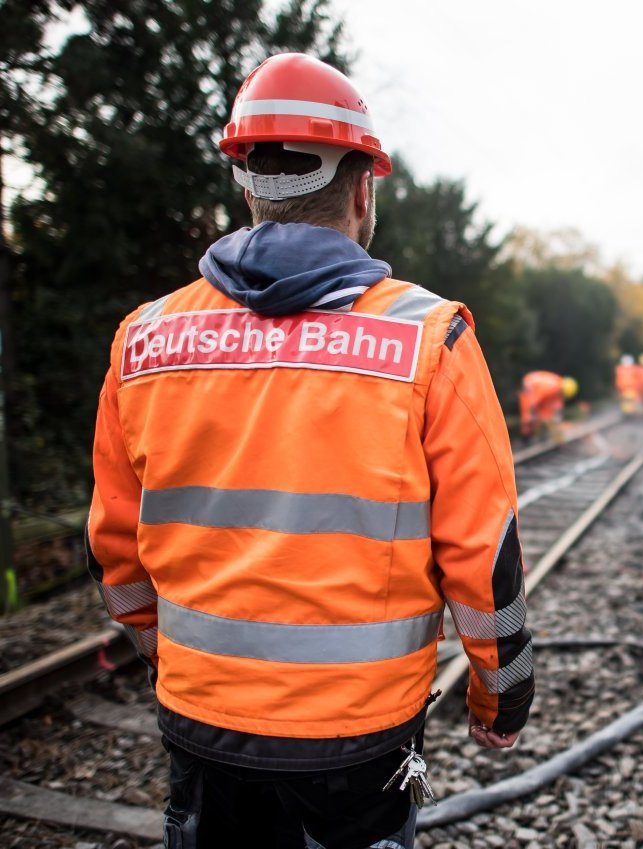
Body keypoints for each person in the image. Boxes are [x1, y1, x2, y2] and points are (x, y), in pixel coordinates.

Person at [86, 53, 533, 849]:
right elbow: (484, 557)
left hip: (199, 721)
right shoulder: (429, 338)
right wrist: (501, 698)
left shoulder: (145, 337)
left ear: (247, 186)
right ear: (365, 188)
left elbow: (114, 554)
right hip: (361, 735)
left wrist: (174, 659)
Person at [519, 370, 578, 442]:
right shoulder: (550, 387)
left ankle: (533, 436)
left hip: (536, 390)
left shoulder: (558, 385)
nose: (561, 397)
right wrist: (532, 415)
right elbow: (533, 402)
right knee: (528, 418)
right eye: (561, 394)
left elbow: (551, 406)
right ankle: (525, 438)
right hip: (529, 387)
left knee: (541, 415)